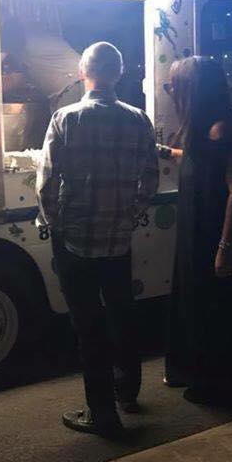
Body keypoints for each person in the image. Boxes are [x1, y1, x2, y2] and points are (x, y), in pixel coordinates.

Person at [36, 42, 159, 436]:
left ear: (81, 72)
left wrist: (54, 223)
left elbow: (46, 184)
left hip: (75, 240)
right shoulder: (139, 120)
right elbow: (151, 180)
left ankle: (103, 414)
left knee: (88, 325)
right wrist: (130, 212)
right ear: (119, 74)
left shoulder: (65, 118)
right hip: (118, 239)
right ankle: (128, 392)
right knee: (122, 312)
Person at [161, 56, 232, 403]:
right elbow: (196, 158)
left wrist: (225, 247)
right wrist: (164, 151)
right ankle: (191, 371)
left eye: (175, 86)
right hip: (197, 229)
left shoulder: (223, 129)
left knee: (215, 309)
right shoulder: (204, 129)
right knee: (193, 300)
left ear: (194, 91)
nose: (172, 92)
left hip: (215, 233)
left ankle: (217, 384)